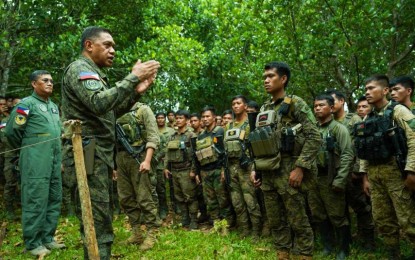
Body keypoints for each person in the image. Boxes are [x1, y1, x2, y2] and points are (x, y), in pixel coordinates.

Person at [61, 26, 160, 259]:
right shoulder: (79, 69)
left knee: (101, 213)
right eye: (107, 45)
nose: (113, 50)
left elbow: (109, 113)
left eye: (113, 45)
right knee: (96, 215)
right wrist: (132, 76)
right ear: (89, 46)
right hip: (87, 150)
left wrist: (136, 92)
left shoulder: (94, 74)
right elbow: (98, 103)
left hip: (98, 152)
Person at [250, 61, 321, 260]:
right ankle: (283, 253)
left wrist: (300, 168)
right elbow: (259, 140)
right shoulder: (264, 108)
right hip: (268, 170)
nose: (266, 80)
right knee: (275, 219)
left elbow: (315, 136)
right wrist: (256, 168)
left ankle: (305, 254)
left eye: (271, 76)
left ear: (283, 79)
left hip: (289, 168)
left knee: (297, 218)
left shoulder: (295, 103)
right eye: (264, 77)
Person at [5, 70, 64, 256]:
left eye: (51, 81)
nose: (50, 83)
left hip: (54, 161)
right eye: (44, 80)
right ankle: (32, 242)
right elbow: (12, 132)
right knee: (35, 200)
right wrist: (29, 151)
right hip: (35, 161)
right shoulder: (26, 105)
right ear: (33, 84)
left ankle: (48, 238)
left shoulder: (54, 106)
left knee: (54, 198)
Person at [357, 74, 415, 259]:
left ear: (385, 91)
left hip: (396, 172)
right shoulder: (368, 118)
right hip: (375, 174)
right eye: (365, 89)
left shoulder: (398, 111)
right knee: (383, 219)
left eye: (371, 88)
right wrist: (364, 177)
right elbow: (365, 149)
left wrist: (411, 170)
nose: (367, 92)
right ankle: (393, 254)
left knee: (407, 219)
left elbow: (413, 141)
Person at [326, 89, 375, 251]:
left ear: (342, 101)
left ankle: (368, 240)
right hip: (335, 172)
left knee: (361, 206)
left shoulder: (353, 119)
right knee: (341, 206)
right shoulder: (329, 122)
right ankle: (348, 239)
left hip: (352, 172)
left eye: (333, 101)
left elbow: (360, 146)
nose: (331, 105)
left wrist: (358, 171)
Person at [309, 94, 354, 259]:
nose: (318, 108)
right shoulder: (311, 129)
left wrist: (340, 179)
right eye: (315, 106)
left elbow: (347, 155)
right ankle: (328, 245)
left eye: (321, 105)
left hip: (331, 178)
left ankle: (343, 249)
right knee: (318, 214)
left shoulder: (339, 129)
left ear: (331, 107)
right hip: (314, 179)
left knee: (337, 215)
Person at [116, 100, 160, 250]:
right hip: (121, 159)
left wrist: (147, 160)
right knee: (125, 197)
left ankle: (152, 232)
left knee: (144, 197)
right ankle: (136, 232)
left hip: (139, 156)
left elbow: (153, 137)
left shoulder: (143, 110)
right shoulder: (117, 111)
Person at [223, 95, 262, 238]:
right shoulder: (228, 126)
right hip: (231, 167)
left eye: (238, 103)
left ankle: (256, 231)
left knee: (250, 200)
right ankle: (244, 230)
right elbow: (225, 150)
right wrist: (224, 170)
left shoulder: (251, 124)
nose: (235, 106)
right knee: (237, 202)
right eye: (233, 103)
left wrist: (255, 168)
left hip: (246, 167)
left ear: (245, 106)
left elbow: (257, 147)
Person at [194, 106, 234, 228]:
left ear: (214, 118)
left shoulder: (220, 132)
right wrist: (197, 172)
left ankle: (227, 224)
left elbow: (226, 152)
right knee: (210, 200)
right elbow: (196, 156)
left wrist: (224, 169)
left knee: (223, 199)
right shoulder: (200, 135)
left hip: (218, 170)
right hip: (205, 172)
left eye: (208, 116)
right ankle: (216, 223)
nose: (205, 119)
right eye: (203, 117)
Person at [164, 110, 198, 229]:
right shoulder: (172, 136)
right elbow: (167, 153)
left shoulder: (191, 135)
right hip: (174, 171)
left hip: (186, 170)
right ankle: (185, 218)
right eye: (176, 118)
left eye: (180, 118)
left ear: (187, 120)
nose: (177, 120)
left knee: (190, 196)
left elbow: (195, 154)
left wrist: (193, 170)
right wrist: (165, 168)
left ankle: (194, 219)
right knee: (179, 197)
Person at [1, 96, 20, 221]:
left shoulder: (13, 118)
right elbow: (4, 137)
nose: (4, 106)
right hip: (8, 154)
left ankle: (16, 208)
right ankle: (8, 210)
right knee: (10, 182)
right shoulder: (4, 120)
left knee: (17, 181)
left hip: (17, 153)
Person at [154, 112, 175, 220]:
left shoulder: (171, 131)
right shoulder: (153, 131)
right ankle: (162, 208)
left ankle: (174, 207)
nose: (160, 120)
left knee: (173, 186)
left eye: (162, 118)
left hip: (170, 161)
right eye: (158, 118)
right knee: (160, 186)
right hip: (157, 163)